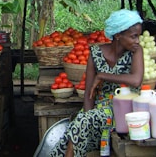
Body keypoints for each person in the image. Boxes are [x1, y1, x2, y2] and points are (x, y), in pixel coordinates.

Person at [49, 9, 144, 157]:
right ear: (118, 35)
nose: (137, 41)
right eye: (134, 36)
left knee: (78, 127)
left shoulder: (136, 52)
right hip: (99, 109)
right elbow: (88, 92)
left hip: (124, 107)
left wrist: (103, 76)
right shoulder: (95, 53)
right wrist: (88, 117)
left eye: (138, 36)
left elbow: (136, 80)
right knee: (73, 132)